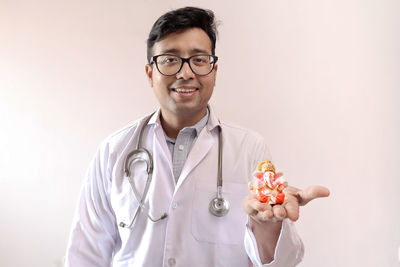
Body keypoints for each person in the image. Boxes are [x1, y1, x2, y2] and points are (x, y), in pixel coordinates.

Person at [65, 6, 329, 267]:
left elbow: (282, 262)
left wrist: (267, 226)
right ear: (150, 73)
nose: (185, 72)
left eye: (199, 60)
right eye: (170, 59)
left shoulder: (249, 148)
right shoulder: (114, 151)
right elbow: (85, 255)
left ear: (214, 71)